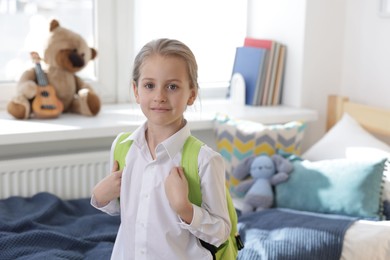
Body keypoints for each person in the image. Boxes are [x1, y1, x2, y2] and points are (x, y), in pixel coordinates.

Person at [91, 38, 231, 260]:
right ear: (136, 91)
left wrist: (184, 208)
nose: (159, 96)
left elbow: (222, 232)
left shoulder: (205, 160)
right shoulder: (123, 147)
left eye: (172, 86)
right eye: (149, 85)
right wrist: (100, 196)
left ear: (192, 94)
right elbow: (128, 210)